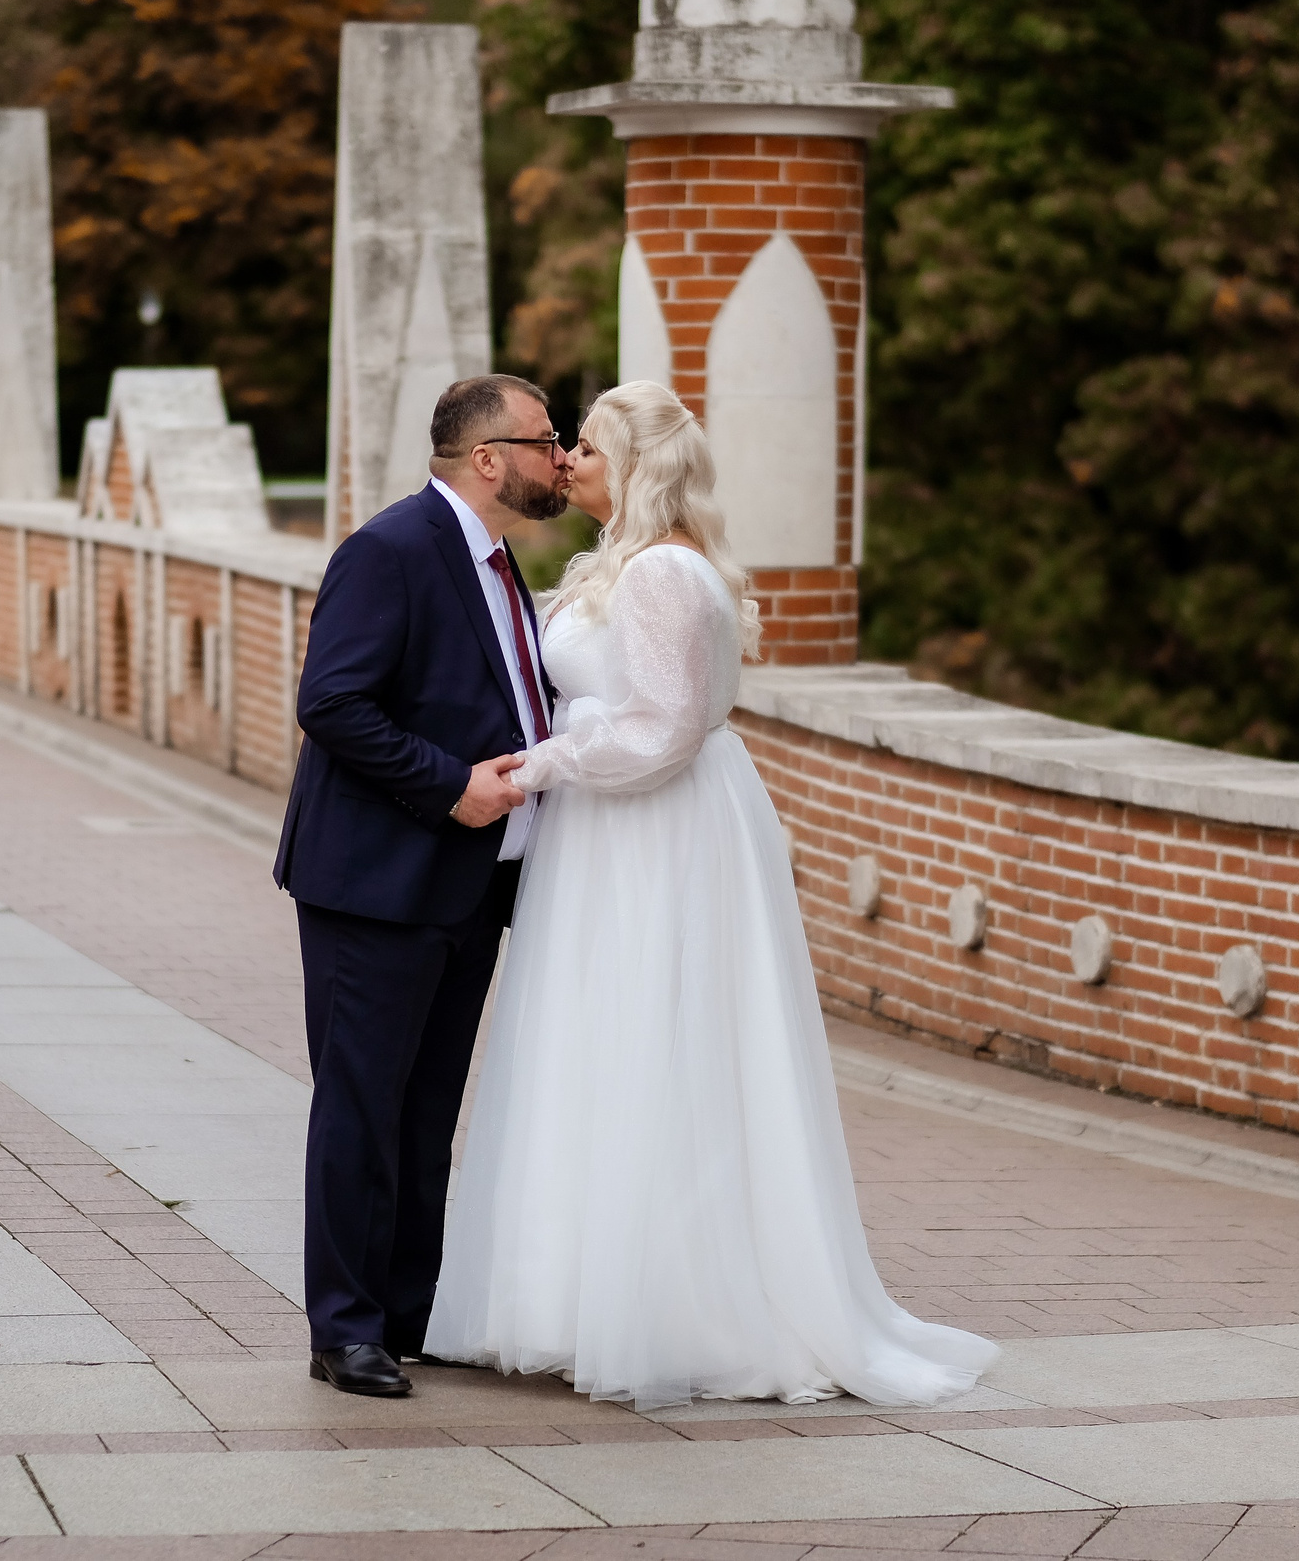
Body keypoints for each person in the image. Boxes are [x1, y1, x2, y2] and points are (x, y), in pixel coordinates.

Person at [425, 380, 999, 1409]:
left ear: (636, 470)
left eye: (586, 452)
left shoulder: (664, 577)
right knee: (601, 1044)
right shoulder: (624, 565)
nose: (566, 464)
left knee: (664, 1042)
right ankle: (578, 1293)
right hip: (609, 832)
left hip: (657, 829)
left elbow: (660, 731)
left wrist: (539, 765)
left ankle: (681, 1307)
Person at [274, 372, 567, 1398]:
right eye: (543, 440)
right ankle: (344, 1331)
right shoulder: (391, 549)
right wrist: (451, 790)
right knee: (360, 1107)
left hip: (467, 888)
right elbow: (334, 703)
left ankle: (408, 1313)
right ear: (487, 459)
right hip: (376, 884)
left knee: (424, 1109)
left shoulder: (498, 564)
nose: (560, 458)